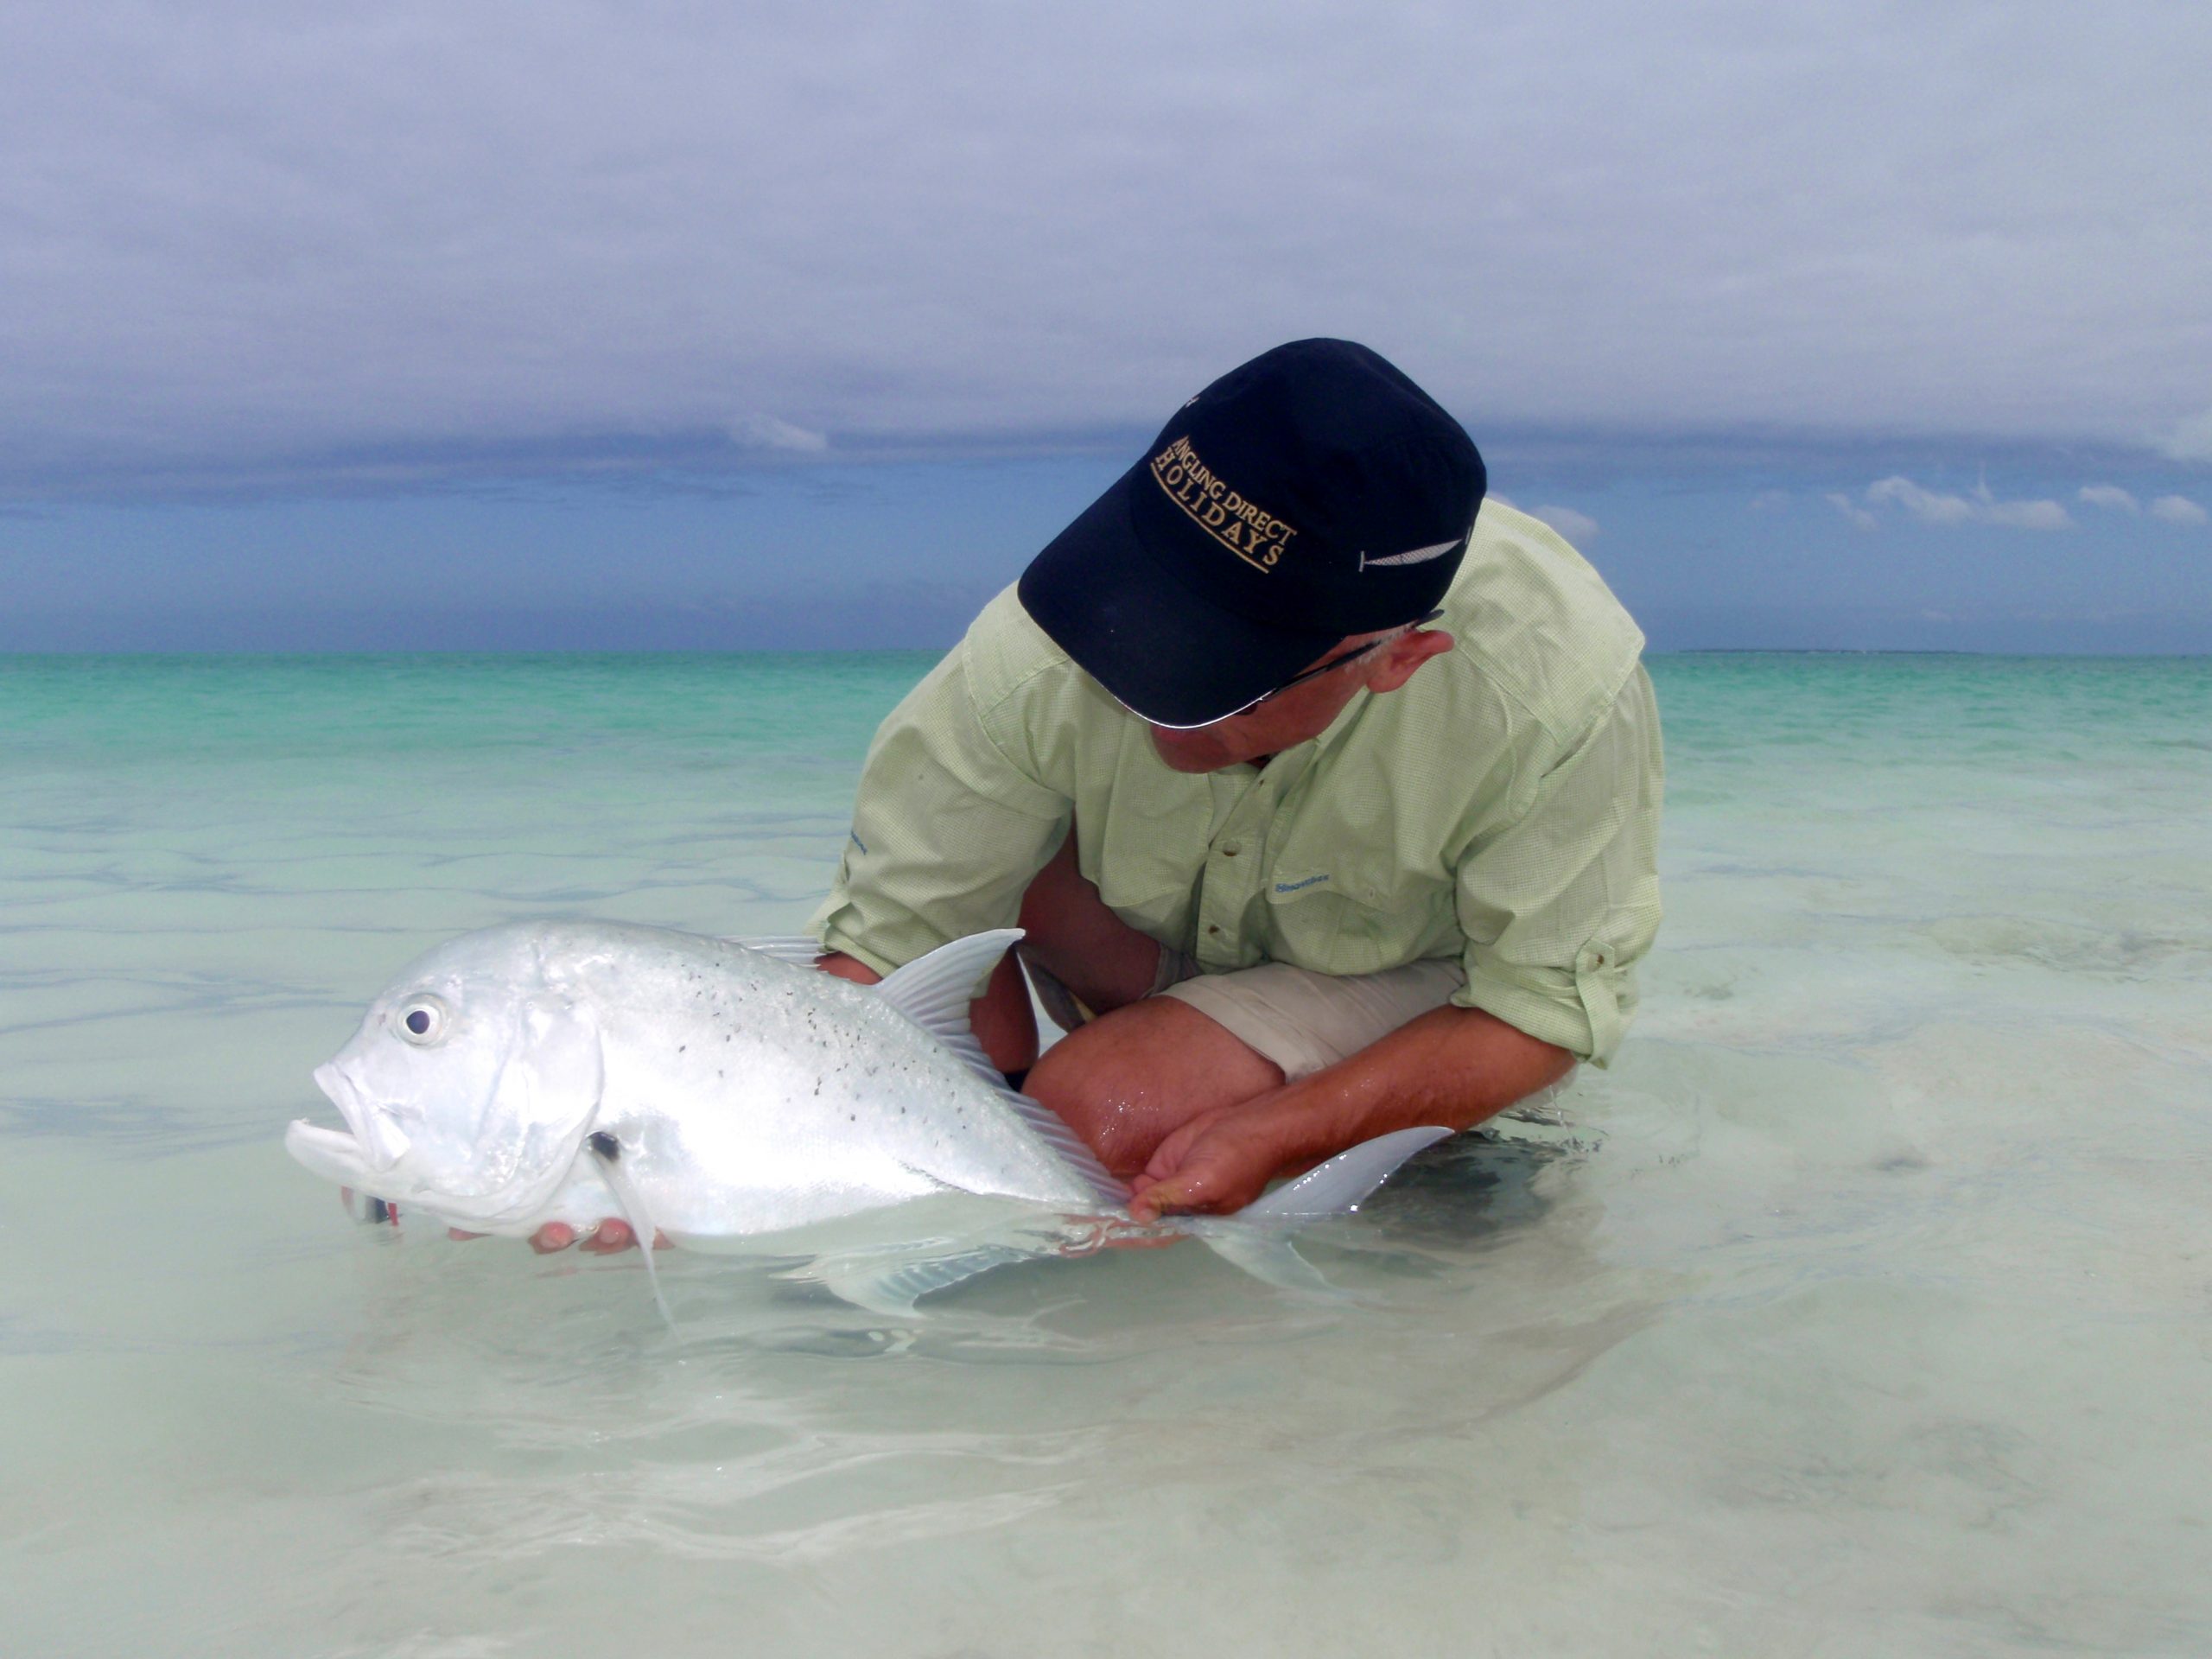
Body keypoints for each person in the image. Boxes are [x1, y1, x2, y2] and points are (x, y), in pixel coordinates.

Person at [522, 337, 1662, 1255]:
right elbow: (887, 951)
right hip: (1131, 930)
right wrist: (713, 1155)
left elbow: (1540, 1008)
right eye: (1153, 623)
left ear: (1393, 659)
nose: (1151, 697)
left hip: (1400, 967)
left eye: (1217, 677)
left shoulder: (1557, 690)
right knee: (973, 1031)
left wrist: (1274, 1132)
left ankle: (1226, 1117)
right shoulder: (1045, 640)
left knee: (1104, 1111)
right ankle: (1042, 1143)